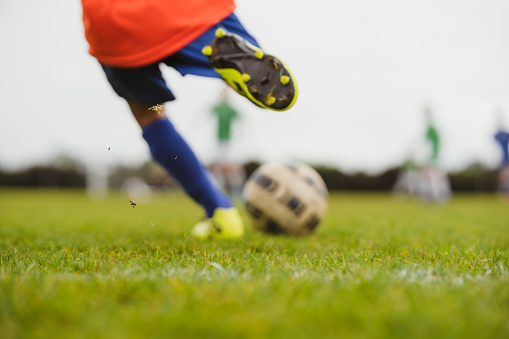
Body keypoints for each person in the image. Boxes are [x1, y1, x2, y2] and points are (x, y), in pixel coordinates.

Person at [80, 0, 298, 239]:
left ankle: (221, 213)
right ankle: (235, 60)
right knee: (216, 34)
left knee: (149, 116)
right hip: (178, 9)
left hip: (110, 22)